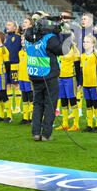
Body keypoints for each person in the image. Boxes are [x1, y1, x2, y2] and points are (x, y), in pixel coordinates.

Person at [25, 12, 64, 142]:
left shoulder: (28, 36)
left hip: (34, 74)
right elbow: (62, 50)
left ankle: (35, 132)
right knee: (50, 104)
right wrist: (61, 33)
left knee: (37, 104)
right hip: (49, 75)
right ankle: (46, 134)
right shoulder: (49, 38)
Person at [80, 34, 97, 133]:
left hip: (94, 84)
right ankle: (89, 125)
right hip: (86, 84)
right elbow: (81, 71)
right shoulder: (82, 56)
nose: (85, 44)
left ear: (93, 44)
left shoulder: (95, 56)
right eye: (84, 42)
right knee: (88, 104)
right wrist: (81, 83)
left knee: (96, 104)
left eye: (87, 42)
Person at [55, 34, 81, 131]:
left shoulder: (75, 51)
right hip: (61, 78)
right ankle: (65, 123)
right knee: (64, 101)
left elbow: (78, 67)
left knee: (72, 100)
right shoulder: (60, 49)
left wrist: (78, 81)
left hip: (70, 77)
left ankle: (76, 124)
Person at [4, 21, 22, 114]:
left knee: (16, 85)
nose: (7, 26)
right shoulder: (5, 38)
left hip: (15, 64)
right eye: (7, 25)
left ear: (15, 28)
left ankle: (18, 107)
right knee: (7, 85)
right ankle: (10, 106)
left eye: (9, 25)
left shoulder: (18, 37)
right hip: (6, 65)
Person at [18, 37, 33, 125]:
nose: (22, 41)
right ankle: (25, 117)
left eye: (24, 40)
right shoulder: (20, 52)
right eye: (22, 40)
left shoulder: (31, 51)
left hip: (29, 78)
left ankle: (32, 117)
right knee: (24, 97)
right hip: (21, 77)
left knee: (31, 97)